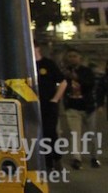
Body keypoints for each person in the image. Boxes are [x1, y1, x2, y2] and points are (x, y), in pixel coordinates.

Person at [61, 48, 98, 169]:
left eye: (74, 56)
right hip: (72, 107)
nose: (72, 58)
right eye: (70, 56)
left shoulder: (87, 71)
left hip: (88, 107)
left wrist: (76, 78)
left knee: (91, 134)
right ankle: (76, 158)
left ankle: (94, 157)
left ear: (80, 58)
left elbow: (90, 84)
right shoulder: (65, 72)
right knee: (75, 134)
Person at [34, 42, 66, 171]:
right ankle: (46, 162)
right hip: (33, 106)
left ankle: (56, 158)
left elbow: (63, 82)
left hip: (48, 105)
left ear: (38, 48)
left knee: (50, 132)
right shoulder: (26, 66)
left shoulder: (48, 64)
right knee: (38, 134)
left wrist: (55, 99)